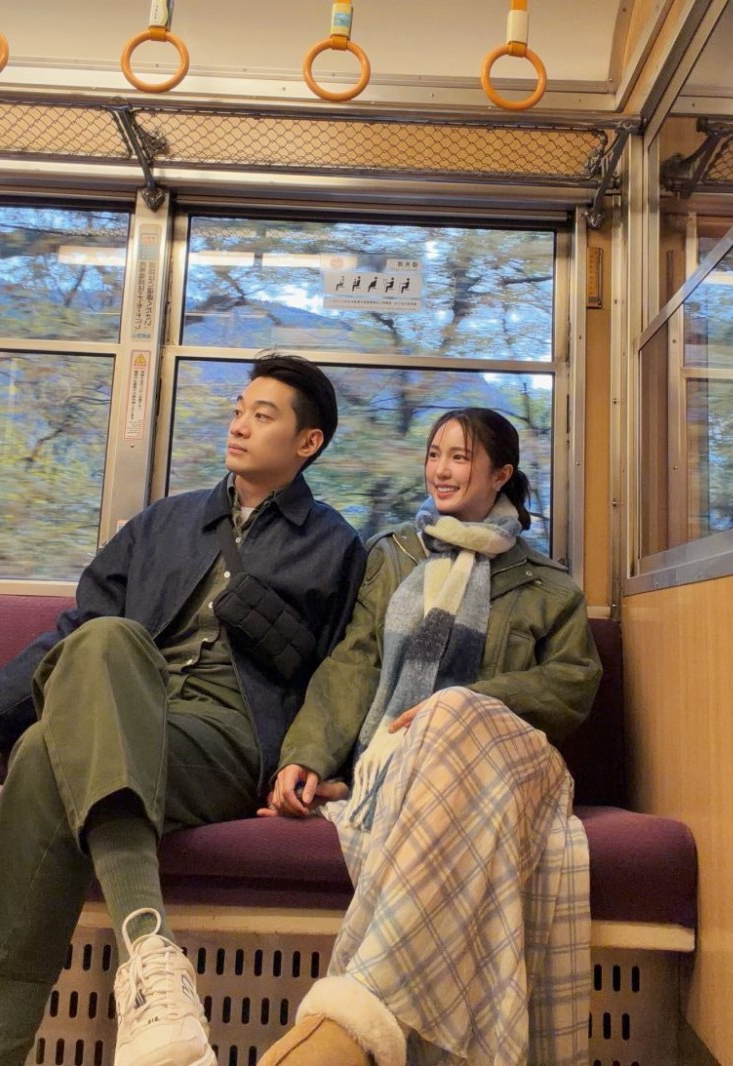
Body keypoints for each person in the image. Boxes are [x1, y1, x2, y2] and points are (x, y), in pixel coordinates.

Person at [0, 353, 366, 1066]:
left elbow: (341, 671)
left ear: (308, 441)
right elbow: (70, 634)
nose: (239, 425)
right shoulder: (164, 522)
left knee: (49, 751)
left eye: (262, 415)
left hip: (228, 737)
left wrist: (316, 762)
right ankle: (149, 955)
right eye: (238, 410)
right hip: (123, 705)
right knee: (98, 654)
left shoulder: (335, 546)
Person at [257, 408, 602, 1066]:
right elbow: (355, 661)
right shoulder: (392, 557)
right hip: (403, 768)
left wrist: (466, 704)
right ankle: (358, 1029)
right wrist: (307, 757)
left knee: (451, 711)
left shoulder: (548, 586)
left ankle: (352, 1023)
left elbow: (572, 685)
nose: (440, 470)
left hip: (508, 767)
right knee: (441, 721)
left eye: (460, 457)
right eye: (434, 454)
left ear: (500, 474)